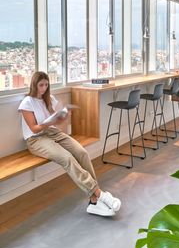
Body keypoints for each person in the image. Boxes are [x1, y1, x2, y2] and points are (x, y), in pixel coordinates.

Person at [18, 71, 121, 217]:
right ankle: (99, 195)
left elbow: (56, 122)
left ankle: (93, 200)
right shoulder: (27, 102)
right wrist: (52, 122)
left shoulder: (49, 99)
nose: (44, 88)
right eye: (41, 85)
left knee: (82, 153)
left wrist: (63, 117)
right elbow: (34, 128)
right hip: (36, 139)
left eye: (46, 85)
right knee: (67, 159)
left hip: (53, 132)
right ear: (34, 85)